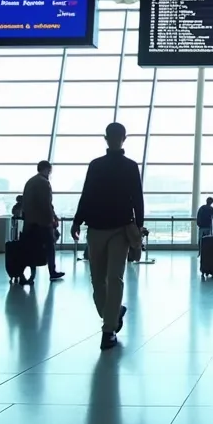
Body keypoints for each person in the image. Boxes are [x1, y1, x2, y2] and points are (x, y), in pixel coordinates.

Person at [71, 122, 144, 350]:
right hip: (105, 227)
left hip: (115, 229)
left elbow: (87, 195)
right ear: (123, 137)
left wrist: (77, 220)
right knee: (100, 281)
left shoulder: (99, 166)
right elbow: (137, 199)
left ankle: (108, 329)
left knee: (112, 279)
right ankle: (112, 315)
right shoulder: (123, 166)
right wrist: (77, 219)